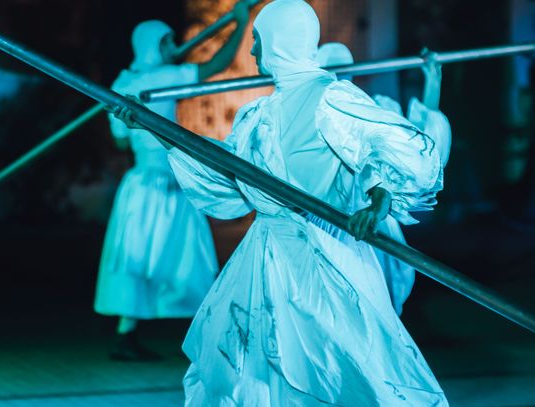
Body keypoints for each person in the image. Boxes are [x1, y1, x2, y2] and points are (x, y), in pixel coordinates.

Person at [115, 0, 448, 403]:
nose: (253, 50)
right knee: (253, 374)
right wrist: (156, 128)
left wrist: (379, 199)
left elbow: (393, 145)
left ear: (280, 40)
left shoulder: (330, 96)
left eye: (257, 39)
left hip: (324, 255)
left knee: (341, 366)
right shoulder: (258, 115)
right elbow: (229, 176)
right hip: (266, 254)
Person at [94, 2, 251, 362]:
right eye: (167, 42)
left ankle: (133, 334)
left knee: (142, 255)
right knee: (182, 254)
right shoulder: (163, 78)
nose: (173, 48)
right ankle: (207, 335)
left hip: (139, 182)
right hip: (165, 180)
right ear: (153, 45)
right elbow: (217, 65)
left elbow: (121, 142)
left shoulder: (122, 83)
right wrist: (241, 24)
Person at [316, 42, 452, 315]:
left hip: (369, 218)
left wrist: (432, 79)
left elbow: (421, 146)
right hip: (326, 222)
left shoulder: (373, 112)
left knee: (373, 301)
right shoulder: (313, 118)